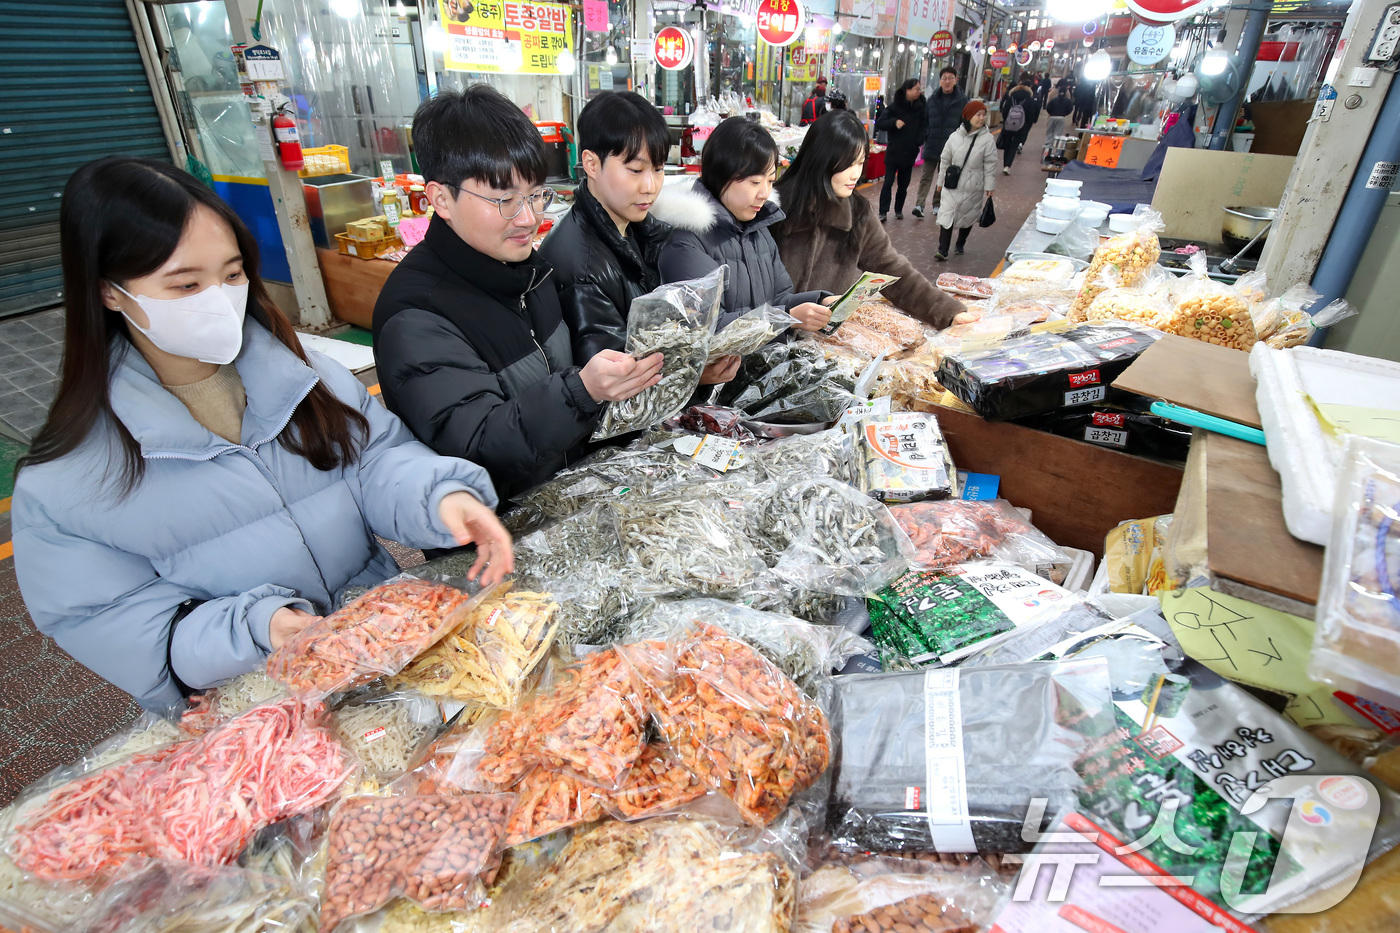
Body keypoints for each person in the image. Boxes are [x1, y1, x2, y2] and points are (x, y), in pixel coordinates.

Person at [11, 157, 514, 715]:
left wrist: (440, 495)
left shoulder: (307, 377)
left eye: (231, 275)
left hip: (387, 656)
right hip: (260, 712)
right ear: (109, 292)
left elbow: (378, 459)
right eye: (185, 284)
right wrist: (256, 628)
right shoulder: (68, 479)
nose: (219, 300)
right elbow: (112, 622)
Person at [373, 86, 664, 501]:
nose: (528, 218)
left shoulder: (530, 272)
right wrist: (581, 392)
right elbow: (477, 443)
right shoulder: (417, 314)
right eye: (505, 199)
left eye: (535, 195)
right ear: (441, 198)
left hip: (566, 503)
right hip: (498, 540)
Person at [773, 110, 978, 330]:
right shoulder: (774, 208)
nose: (855, 174)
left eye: (860, 163)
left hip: (822, 347)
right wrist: (786, 317)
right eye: (848, 164)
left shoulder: (857, 213)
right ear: (822, 159)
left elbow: (893, 269)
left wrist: (946, 311)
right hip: (769, 343)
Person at [650, 116, 835, 332]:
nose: (764, 193)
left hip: (762, 361)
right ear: (722, 175)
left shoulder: (758, 229)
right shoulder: (686, 240)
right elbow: (707, 326)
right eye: (755, 182)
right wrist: (785, 318)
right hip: (724, 366)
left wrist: (819, 303)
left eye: (770, 181)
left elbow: (779, 297)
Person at [935, 100, 997, 261]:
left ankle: (960, 243)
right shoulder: (954, 137)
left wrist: (990, 185)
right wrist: (940, 181)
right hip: (952, 182)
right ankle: (942, 249)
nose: (981, 118)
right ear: (968, 116)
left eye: (984, 115)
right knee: (947, 214)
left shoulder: (987, 139)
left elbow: (990, 164)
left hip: (973, 184)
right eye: (978, 114)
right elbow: (944, 160)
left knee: (968, 215)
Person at [912, 67, 967, 219]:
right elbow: (925, 120)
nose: (947, 81)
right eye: (944, 78)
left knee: (943, 177)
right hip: (932, 143)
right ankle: (919, 204)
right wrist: (926, 136)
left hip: (951, 147)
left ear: (956, 80)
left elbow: (965, 123)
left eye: (950, 78)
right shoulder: (932, 99)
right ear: (940, 81)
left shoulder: (962, 100)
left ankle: (937, 205)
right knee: (926, 176)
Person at [874, 78, 927, 221]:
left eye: (919, 88)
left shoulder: (921, 107)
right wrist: (894, 122)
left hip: (910, 151)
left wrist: (919, 141)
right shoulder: (894, 106)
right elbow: (881, 123)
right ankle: (883, 212)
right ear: (907, 90)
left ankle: (898, 210)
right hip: (894, 151)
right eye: (916, 88)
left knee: (903, 185)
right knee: (888, 182)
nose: (919, 91)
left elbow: (925, 126)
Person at [997, 74, 1040, 174]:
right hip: (1021, 127)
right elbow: (1031, 113)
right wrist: (1029, 123)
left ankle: (1005, 164)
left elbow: (1005, 110)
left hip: (1008, 125)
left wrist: (1006, 120)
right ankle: (1008, 166)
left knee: (1007, 145)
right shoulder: (1029, 99)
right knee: (1014, 145)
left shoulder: (1011, 97)